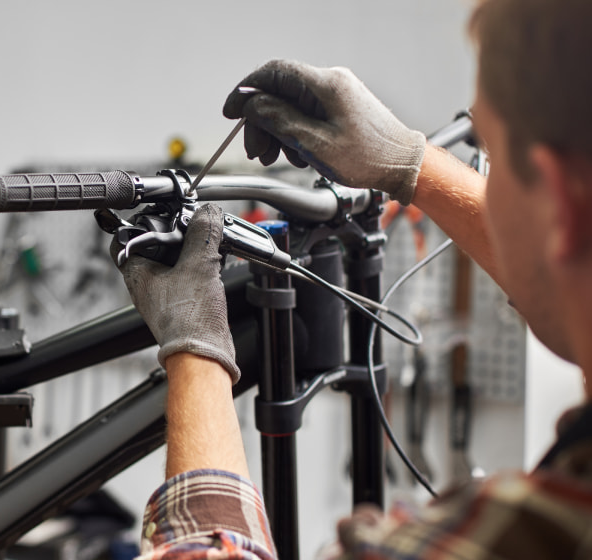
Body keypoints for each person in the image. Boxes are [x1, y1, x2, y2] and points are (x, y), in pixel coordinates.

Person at [119, 0, 592, 558]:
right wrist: (411, 164)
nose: (477, 173)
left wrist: (194, 354)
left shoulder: (520, 534)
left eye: (485, 152)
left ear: (559, 204)